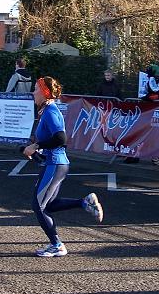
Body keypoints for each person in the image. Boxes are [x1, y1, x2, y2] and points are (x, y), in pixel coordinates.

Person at [23, 76, 104, 257]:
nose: (33, 92)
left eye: (36, 89)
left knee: (38, 206)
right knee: (49, 205)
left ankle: (57, 245)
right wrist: (33, 150)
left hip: (55, 164)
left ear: (45, 93)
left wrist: (35, 146)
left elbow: (61, 139)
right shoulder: (47, 110)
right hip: (55, 163)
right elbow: (51, 141)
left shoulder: (51, 111)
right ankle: (84, 202)